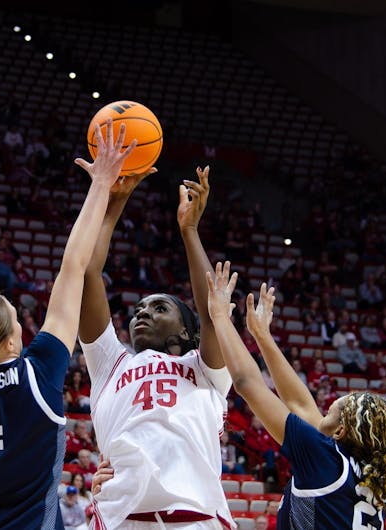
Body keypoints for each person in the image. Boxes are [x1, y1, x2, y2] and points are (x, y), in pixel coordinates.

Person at [0, 115, 130, 529]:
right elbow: (73, 267)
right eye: (16, 318)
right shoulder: (37, 377)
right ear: (9, 342)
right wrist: (100, 184)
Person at [78, 166, 234, 528]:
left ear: (185, 332)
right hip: (122, 515)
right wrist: (116, 202)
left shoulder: (204, 369)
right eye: (138, 310)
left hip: (195, 516)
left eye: (160, 308)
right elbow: (88, 275)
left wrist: (189, 231)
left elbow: (213, 315)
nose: (143, 313)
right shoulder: (110, 364)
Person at [205, 265, 386, 529]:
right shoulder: (364, 475)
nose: (323, 409)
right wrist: (262, 336)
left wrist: (220, 317)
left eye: (332, 410)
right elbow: (299, 404)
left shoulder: (324, 459)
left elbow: (247, 383)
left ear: (341, 431)